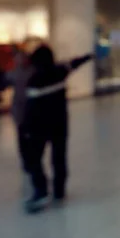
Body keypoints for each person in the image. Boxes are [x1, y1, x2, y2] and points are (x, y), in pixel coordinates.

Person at [22, 45, 92, 213]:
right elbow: (73, 64)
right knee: (59, 158)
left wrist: (26, 128)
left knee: (33, 159)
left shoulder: (34, 80)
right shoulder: (60, 71)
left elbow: (30, 109)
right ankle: (59, 191)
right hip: (60, 124)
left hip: (40, 127)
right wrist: (87, 57)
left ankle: (41, 190)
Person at [6, 49, 33, 173]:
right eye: (17, 58)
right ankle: (26, 160)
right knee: (22, 137)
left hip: (32, 109)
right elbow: (2, 82)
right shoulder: (13, 73)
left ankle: (32, 159)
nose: (20, 60)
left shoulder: (33, 71)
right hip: (19, 110)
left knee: (32, 137)